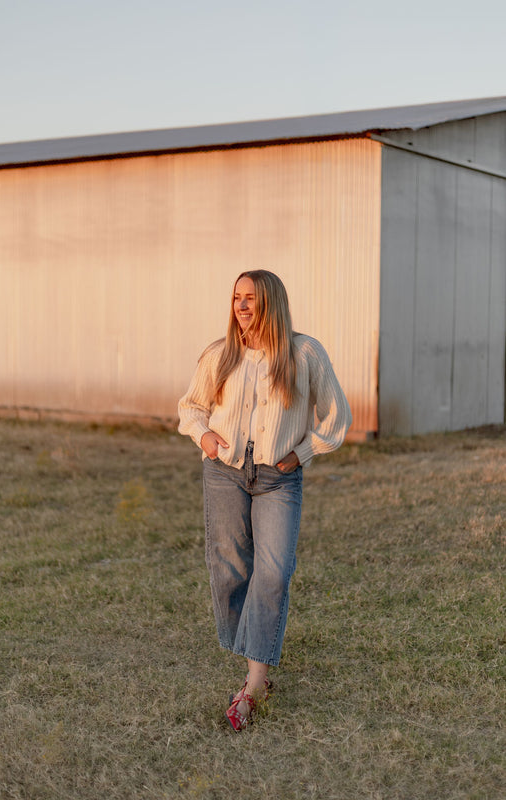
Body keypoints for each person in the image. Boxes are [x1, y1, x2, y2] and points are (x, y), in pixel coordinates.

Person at [178, 269, 352, 731]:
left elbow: (337, 416)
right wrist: (206, 436)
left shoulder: (304, 352)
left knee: (273, 571)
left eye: (251, 298)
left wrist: (302, 453)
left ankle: (255, 682)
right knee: (229, 566)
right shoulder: (220, 354)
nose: (242, 305)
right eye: (236, 297)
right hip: (224, 472)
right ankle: (255, 666)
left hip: (279, 476)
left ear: (271, 302)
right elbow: (190, 407)